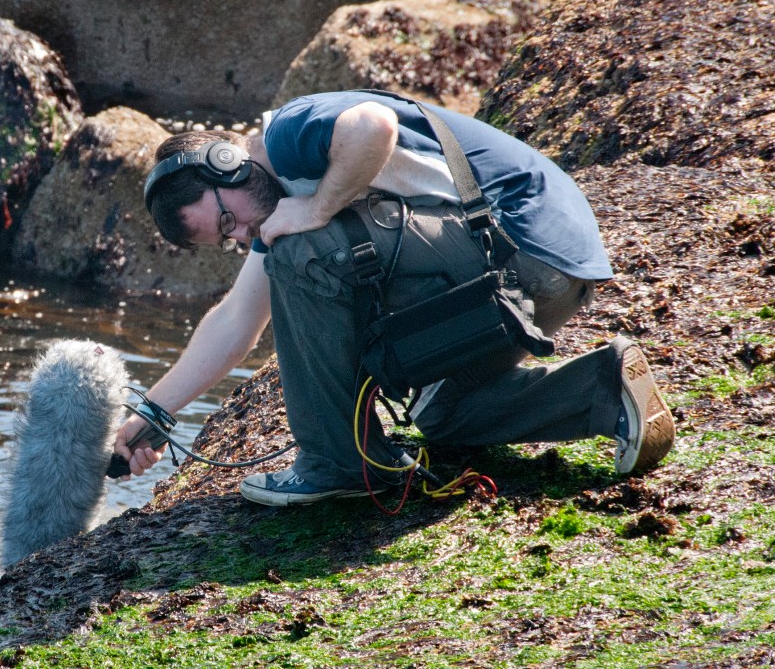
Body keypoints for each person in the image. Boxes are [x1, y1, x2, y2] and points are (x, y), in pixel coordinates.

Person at [114, 89, 675, 506]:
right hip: (546, 278)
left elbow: (373, 126)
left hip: (522, 245)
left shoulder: (286, 137)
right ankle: (603, 389)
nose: (242, 236)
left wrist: (314, 212)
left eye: (229, 221)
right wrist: (155, 412)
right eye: (228, 240)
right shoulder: (275, 205)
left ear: (227, 164)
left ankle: (340, 463)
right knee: (442, 415)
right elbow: (237, 319)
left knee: (301, 253)